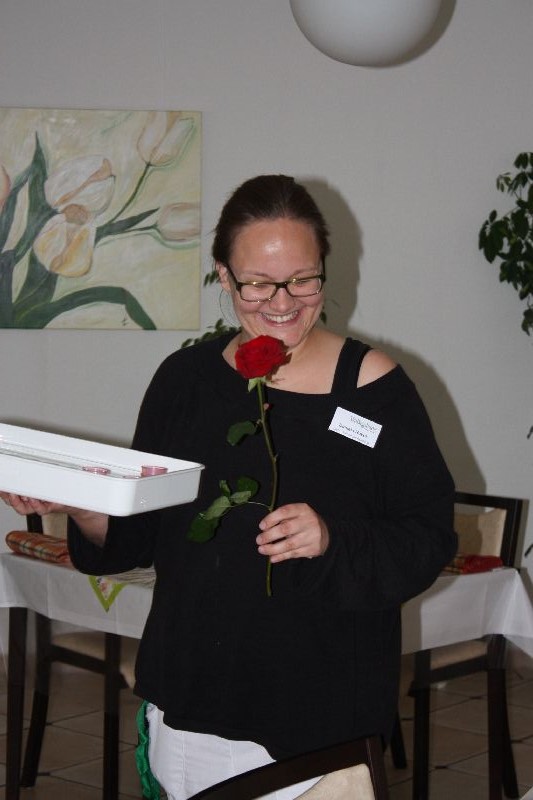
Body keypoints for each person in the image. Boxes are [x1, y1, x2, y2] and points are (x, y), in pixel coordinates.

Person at [1, 174, 457, 800]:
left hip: (315, 715)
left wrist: (331, 539)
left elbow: (427, 538)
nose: (283, 302)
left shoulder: (375, 389)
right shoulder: (184, 382)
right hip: (189, 700)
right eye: (258, 283)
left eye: (303, 279)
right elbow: (138, 536)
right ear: (224, 276)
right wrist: (83, 507)